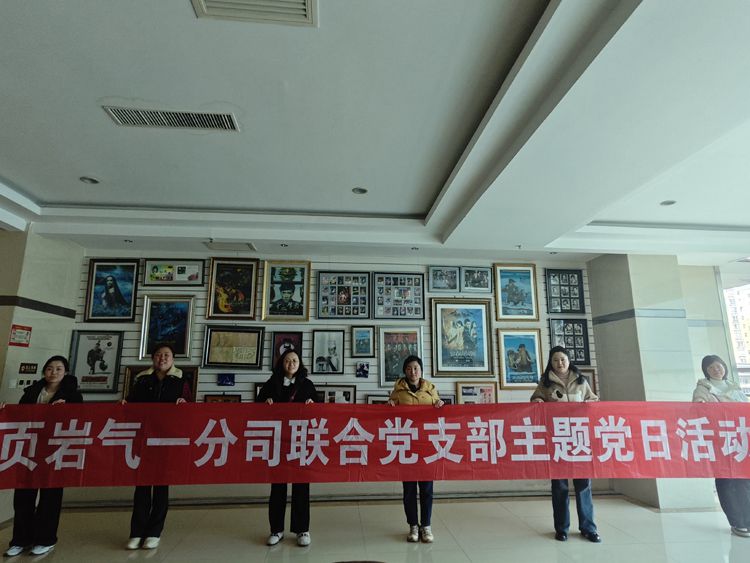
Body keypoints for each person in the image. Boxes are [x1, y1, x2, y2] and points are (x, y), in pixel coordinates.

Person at [3, 355, 83, 557]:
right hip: (29, 449)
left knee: (50, 498)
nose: (53, 372)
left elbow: (80, 419)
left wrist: (66, 410)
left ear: (66, 372)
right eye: (49, 368)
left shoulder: (73, 395)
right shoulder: (32, 391)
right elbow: (19, 415)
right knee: (23, 496)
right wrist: (6, 410)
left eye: (58, 368)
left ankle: (45, 539)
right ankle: (20, 540)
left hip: (55, 451)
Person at [122, 345, 192, 550]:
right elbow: (132, 403)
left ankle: (154, 531)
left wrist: (184, 403)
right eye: (159, 355)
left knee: (161, 487)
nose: (162, 358)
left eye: (166, 355)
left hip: (166, 440)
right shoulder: (143, 380)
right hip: (144, 439)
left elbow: (190, 406)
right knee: (142, 487)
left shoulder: (181, 380)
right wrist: (125, 404)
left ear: (173, 359)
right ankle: (136, 532)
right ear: (152, 358)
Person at [531, 346, 601, 543]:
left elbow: (593, 400)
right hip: (557, 439)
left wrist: (591, 403)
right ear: (550, 363)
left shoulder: (581, 381)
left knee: (583, 485)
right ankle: (561, 528)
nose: (559, 363)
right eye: (555, 360)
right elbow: (535, 398)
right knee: (559, 485)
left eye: (562, 359)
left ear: (569, 360)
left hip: (580, 439)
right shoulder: (545, 382)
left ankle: (588, 528)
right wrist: (538, 400)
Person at [257, 349, 317, 547]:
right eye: (288, 360)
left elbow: (319, 408)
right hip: (278, 442)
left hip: (301, 441)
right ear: (282, 363)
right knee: (277, 487)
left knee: (301, 487)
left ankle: (302, 529)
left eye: (295, 361)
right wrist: (265, 402)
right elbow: (257, 405)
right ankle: (276, 529)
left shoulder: (307, 384)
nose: (291, 364)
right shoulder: (272, 383)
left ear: (300, 364)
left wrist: (312, 404)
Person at [388, 355, 444, 543]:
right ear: (405, 371)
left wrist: (440, 405)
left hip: (427, 445)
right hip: (407, 446)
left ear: (421, 370)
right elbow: (389, 415)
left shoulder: (431, 390)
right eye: (409, 368)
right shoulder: (398, 391)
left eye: (416, 368)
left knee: (427, 488)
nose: (413, 372)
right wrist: (390, 406)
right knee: (409, 489)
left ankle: (426, 526)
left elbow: (439, 410)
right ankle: (413, 525)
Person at [692, 354, 750, 538]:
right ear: (706, 371)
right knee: (726, 481)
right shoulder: (702, 389)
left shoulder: (734, 387)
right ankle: (737, 522)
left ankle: (748, 520)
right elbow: (698, 411)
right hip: (719, 440)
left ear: (724, 367)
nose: (716, 370)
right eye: (711, 368)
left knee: (744, 480)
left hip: (740, 440)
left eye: (718, 366)